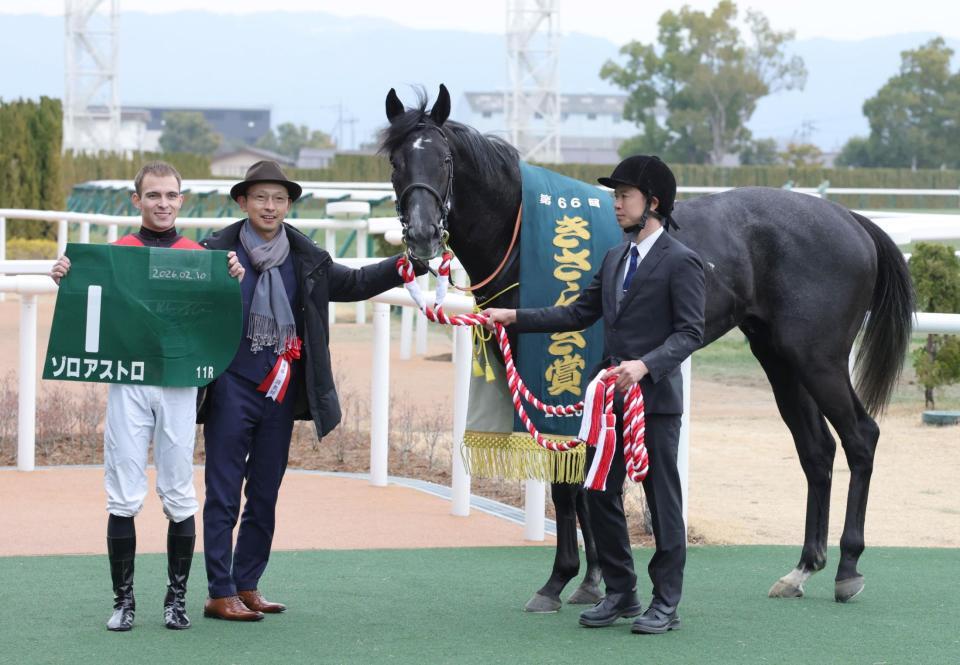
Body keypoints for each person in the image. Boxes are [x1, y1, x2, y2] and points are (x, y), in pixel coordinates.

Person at [485, 155, 705, 634]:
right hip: (609, 404)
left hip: (655, 404)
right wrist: (514, 317)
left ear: (653, 203)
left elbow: (690, 333)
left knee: (661, 500)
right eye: (615, 196)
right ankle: (623, 593)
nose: (615, 205)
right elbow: (577, 313)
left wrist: (645, 365)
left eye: (623, 197)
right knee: (598, 492)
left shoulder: (681, 262)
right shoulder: (613, 258)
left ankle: (666, 602)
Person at [198, 160, 415, 621]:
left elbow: (354, 283)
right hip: (230, 387)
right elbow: (175, 295)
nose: (270, 206)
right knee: (222, 493)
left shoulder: (305, 256)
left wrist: (405, 265)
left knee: (265, 493)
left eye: (279, 199)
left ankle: (247, 583)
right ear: (242, 201)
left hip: (281, 393)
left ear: (289, 204)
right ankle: (220, 591)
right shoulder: (215, 252)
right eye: (260, 197)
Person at [50, 161, 245, 632]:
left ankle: (175, 601)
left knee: (180, 493)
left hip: (178, 386)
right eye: (153, 196)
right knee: (122, 492)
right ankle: (124, 601)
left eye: (171, 196)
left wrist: (230, 279)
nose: (162, 203)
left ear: (181, 200)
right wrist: (66, 277)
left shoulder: (199, 255)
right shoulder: (116, 252)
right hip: (128, 385)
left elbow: (215, 321)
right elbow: (89, 304)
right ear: (136, 201)